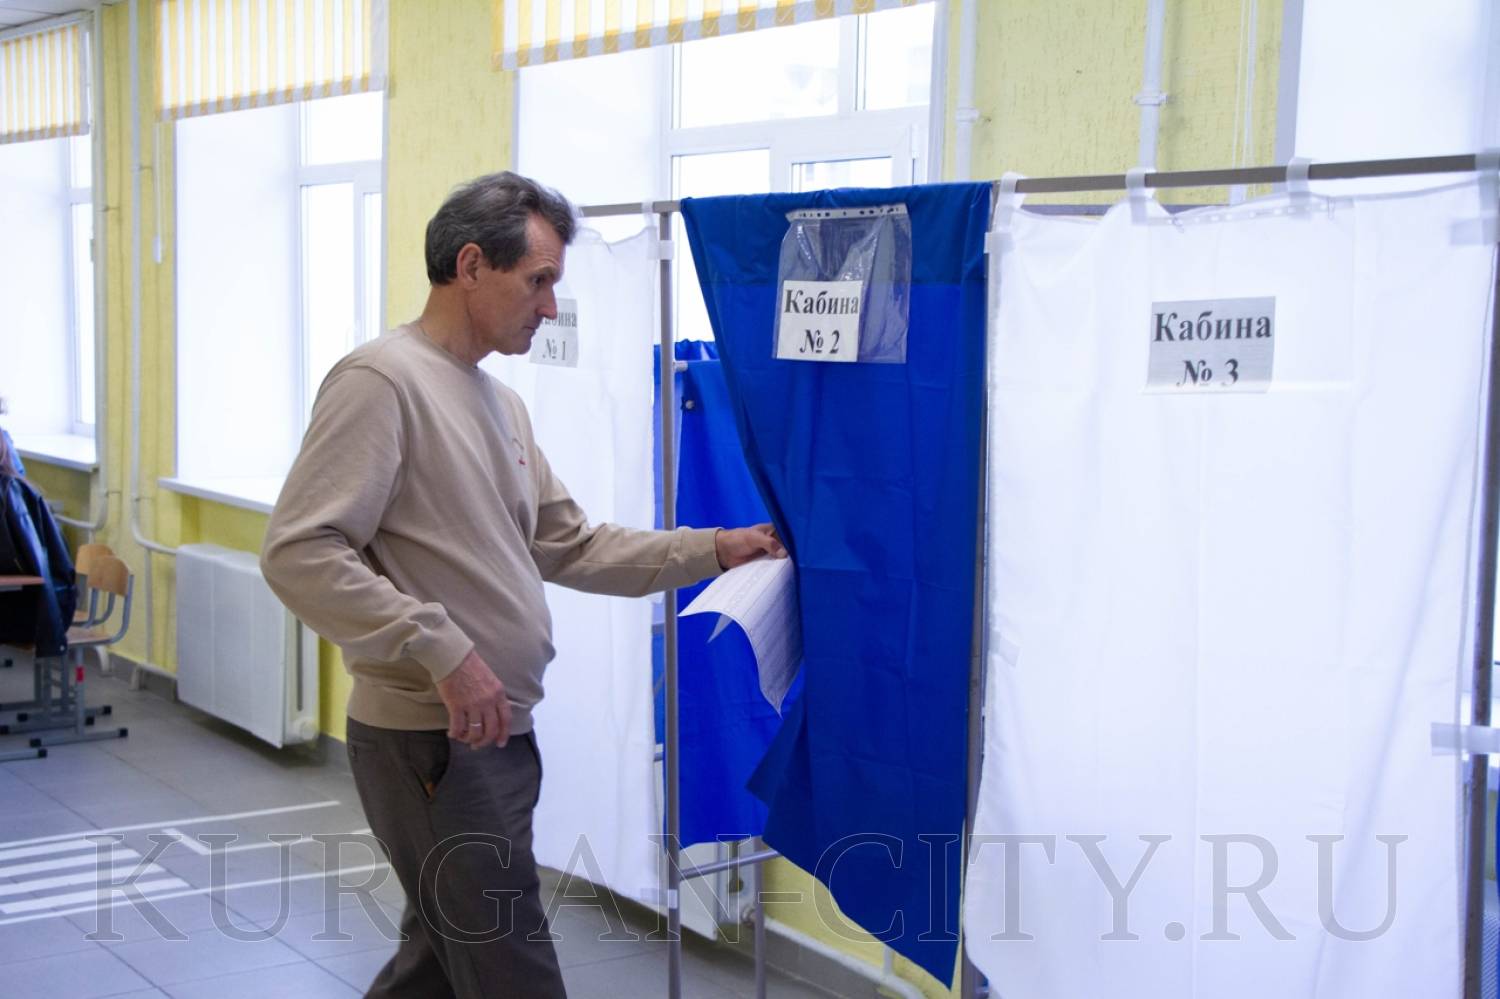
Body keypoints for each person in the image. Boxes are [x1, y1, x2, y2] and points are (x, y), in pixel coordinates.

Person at [260, 171, 783, 998]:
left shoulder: (500, 403)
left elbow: (570, 544)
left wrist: (714, 549)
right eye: (538, 280)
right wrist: (440, 646)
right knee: (512, 972)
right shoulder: (381, 383)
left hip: (495, 733)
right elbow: (300, 551)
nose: (549, 305)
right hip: (433, 740)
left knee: (438, 967)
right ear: (471, 265)